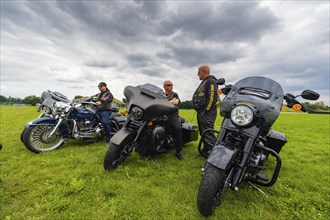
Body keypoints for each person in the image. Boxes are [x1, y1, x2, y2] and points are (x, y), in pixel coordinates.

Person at [192, 65, 218, 157]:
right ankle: (205, 150)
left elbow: (212, 97)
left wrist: (206, 111)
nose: (198, 74)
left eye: (198, 72)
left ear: (202, 72)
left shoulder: (211, 81)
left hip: (207, 113)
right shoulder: (206, 81)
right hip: (202, 112)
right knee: (203, 132)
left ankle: (213, 154)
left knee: (208, 132)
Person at [163, 80, 184, 160]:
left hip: (172, 115)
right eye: (169, 85)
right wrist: (169, 102)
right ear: (164, 87)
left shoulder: (174, 94)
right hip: (162, 114)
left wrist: (165, 102)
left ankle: (178, 151)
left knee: (178, 129)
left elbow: (176, 101)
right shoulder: (161, 95)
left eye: (171, 85)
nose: (171, 86)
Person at [94, 82, 114, 147]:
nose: (100, 87)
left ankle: (108, 140)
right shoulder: (98, 94)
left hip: (106, 111)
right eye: (99, 86)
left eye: (101, 86)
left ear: (105, 86)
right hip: (98, 110)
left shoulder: (109, 94)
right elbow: (92, 98)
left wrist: (100, 102)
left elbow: (106, 99)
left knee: (105, 122)